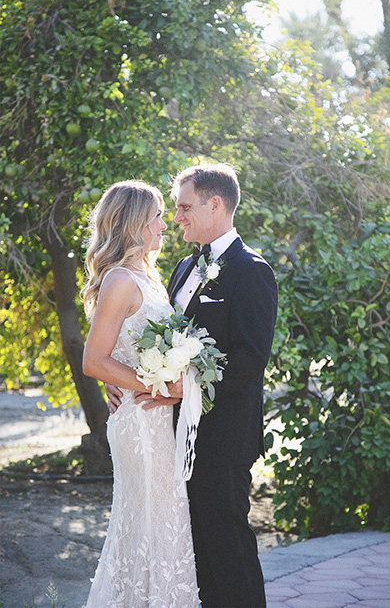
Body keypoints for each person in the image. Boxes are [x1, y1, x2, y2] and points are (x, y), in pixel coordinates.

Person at [108, 163, 279, 607]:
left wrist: (188, 390)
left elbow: (250, 357)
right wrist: (124, 376)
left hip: (223, 437)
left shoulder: (250, 270)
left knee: (229, 551)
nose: (177, 216)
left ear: (215, 204)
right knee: (193, 554)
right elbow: (155, 339)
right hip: (172, 435)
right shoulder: (184, 268)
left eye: (184, 207)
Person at [81, 180, 200, 606]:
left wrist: (164, 383)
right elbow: (93, 362)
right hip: (141, 426)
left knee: (160, 530)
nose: (166, 225)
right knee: (151, 529)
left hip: (158, 420)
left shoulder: (145, 278)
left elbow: (126, 354)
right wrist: (159, 384)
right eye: (158, 216)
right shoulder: (118, 281)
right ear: (134, 224)